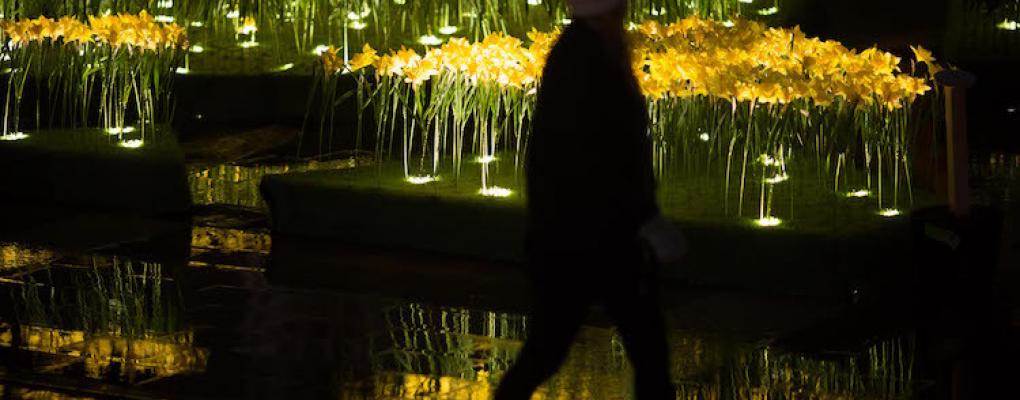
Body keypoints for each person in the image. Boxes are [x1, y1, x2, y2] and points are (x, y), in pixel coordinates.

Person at [494, 0, 676, 398]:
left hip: (592, 234)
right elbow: (598, 151)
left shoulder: (589, 51)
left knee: (643, 349)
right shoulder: (583, 57)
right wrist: (641, 214)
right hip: (586, 238)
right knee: (552, 349)